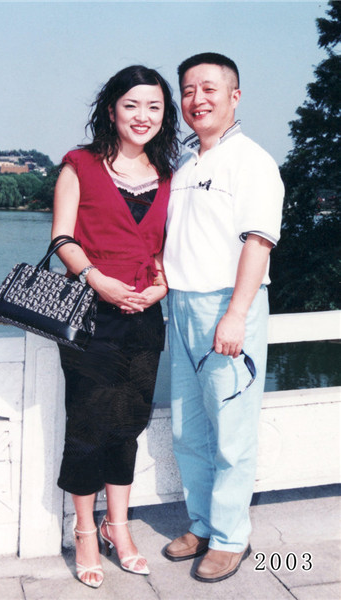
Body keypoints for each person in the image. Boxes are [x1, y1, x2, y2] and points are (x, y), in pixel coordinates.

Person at [51, 65, 179, 588]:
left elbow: (173, 248)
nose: (142, 116)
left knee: (128, 422)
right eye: (132, 105)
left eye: (153, 106)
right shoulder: (78, 165)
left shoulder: (171, 176)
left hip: (145, 319)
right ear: (111, 110)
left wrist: (163, 284)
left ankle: (118, 526)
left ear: (163, 114)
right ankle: (85, 532)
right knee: (87, 424)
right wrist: (98, 279)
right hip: (89, 314)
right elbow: (62, 238)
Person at [163, 52, 284, 583]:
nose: (197, 100)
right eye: (188, 90)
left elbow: (258, 242)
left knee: (231, 431)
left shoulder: (252, 161)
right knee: (190, 431)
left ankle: (232, 537)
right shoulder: (187, 164)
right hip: (182, 308)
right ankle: (203, 523)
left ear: (235, 97)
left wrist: (236, 315)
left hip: (227, 307)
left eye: (209, 89)